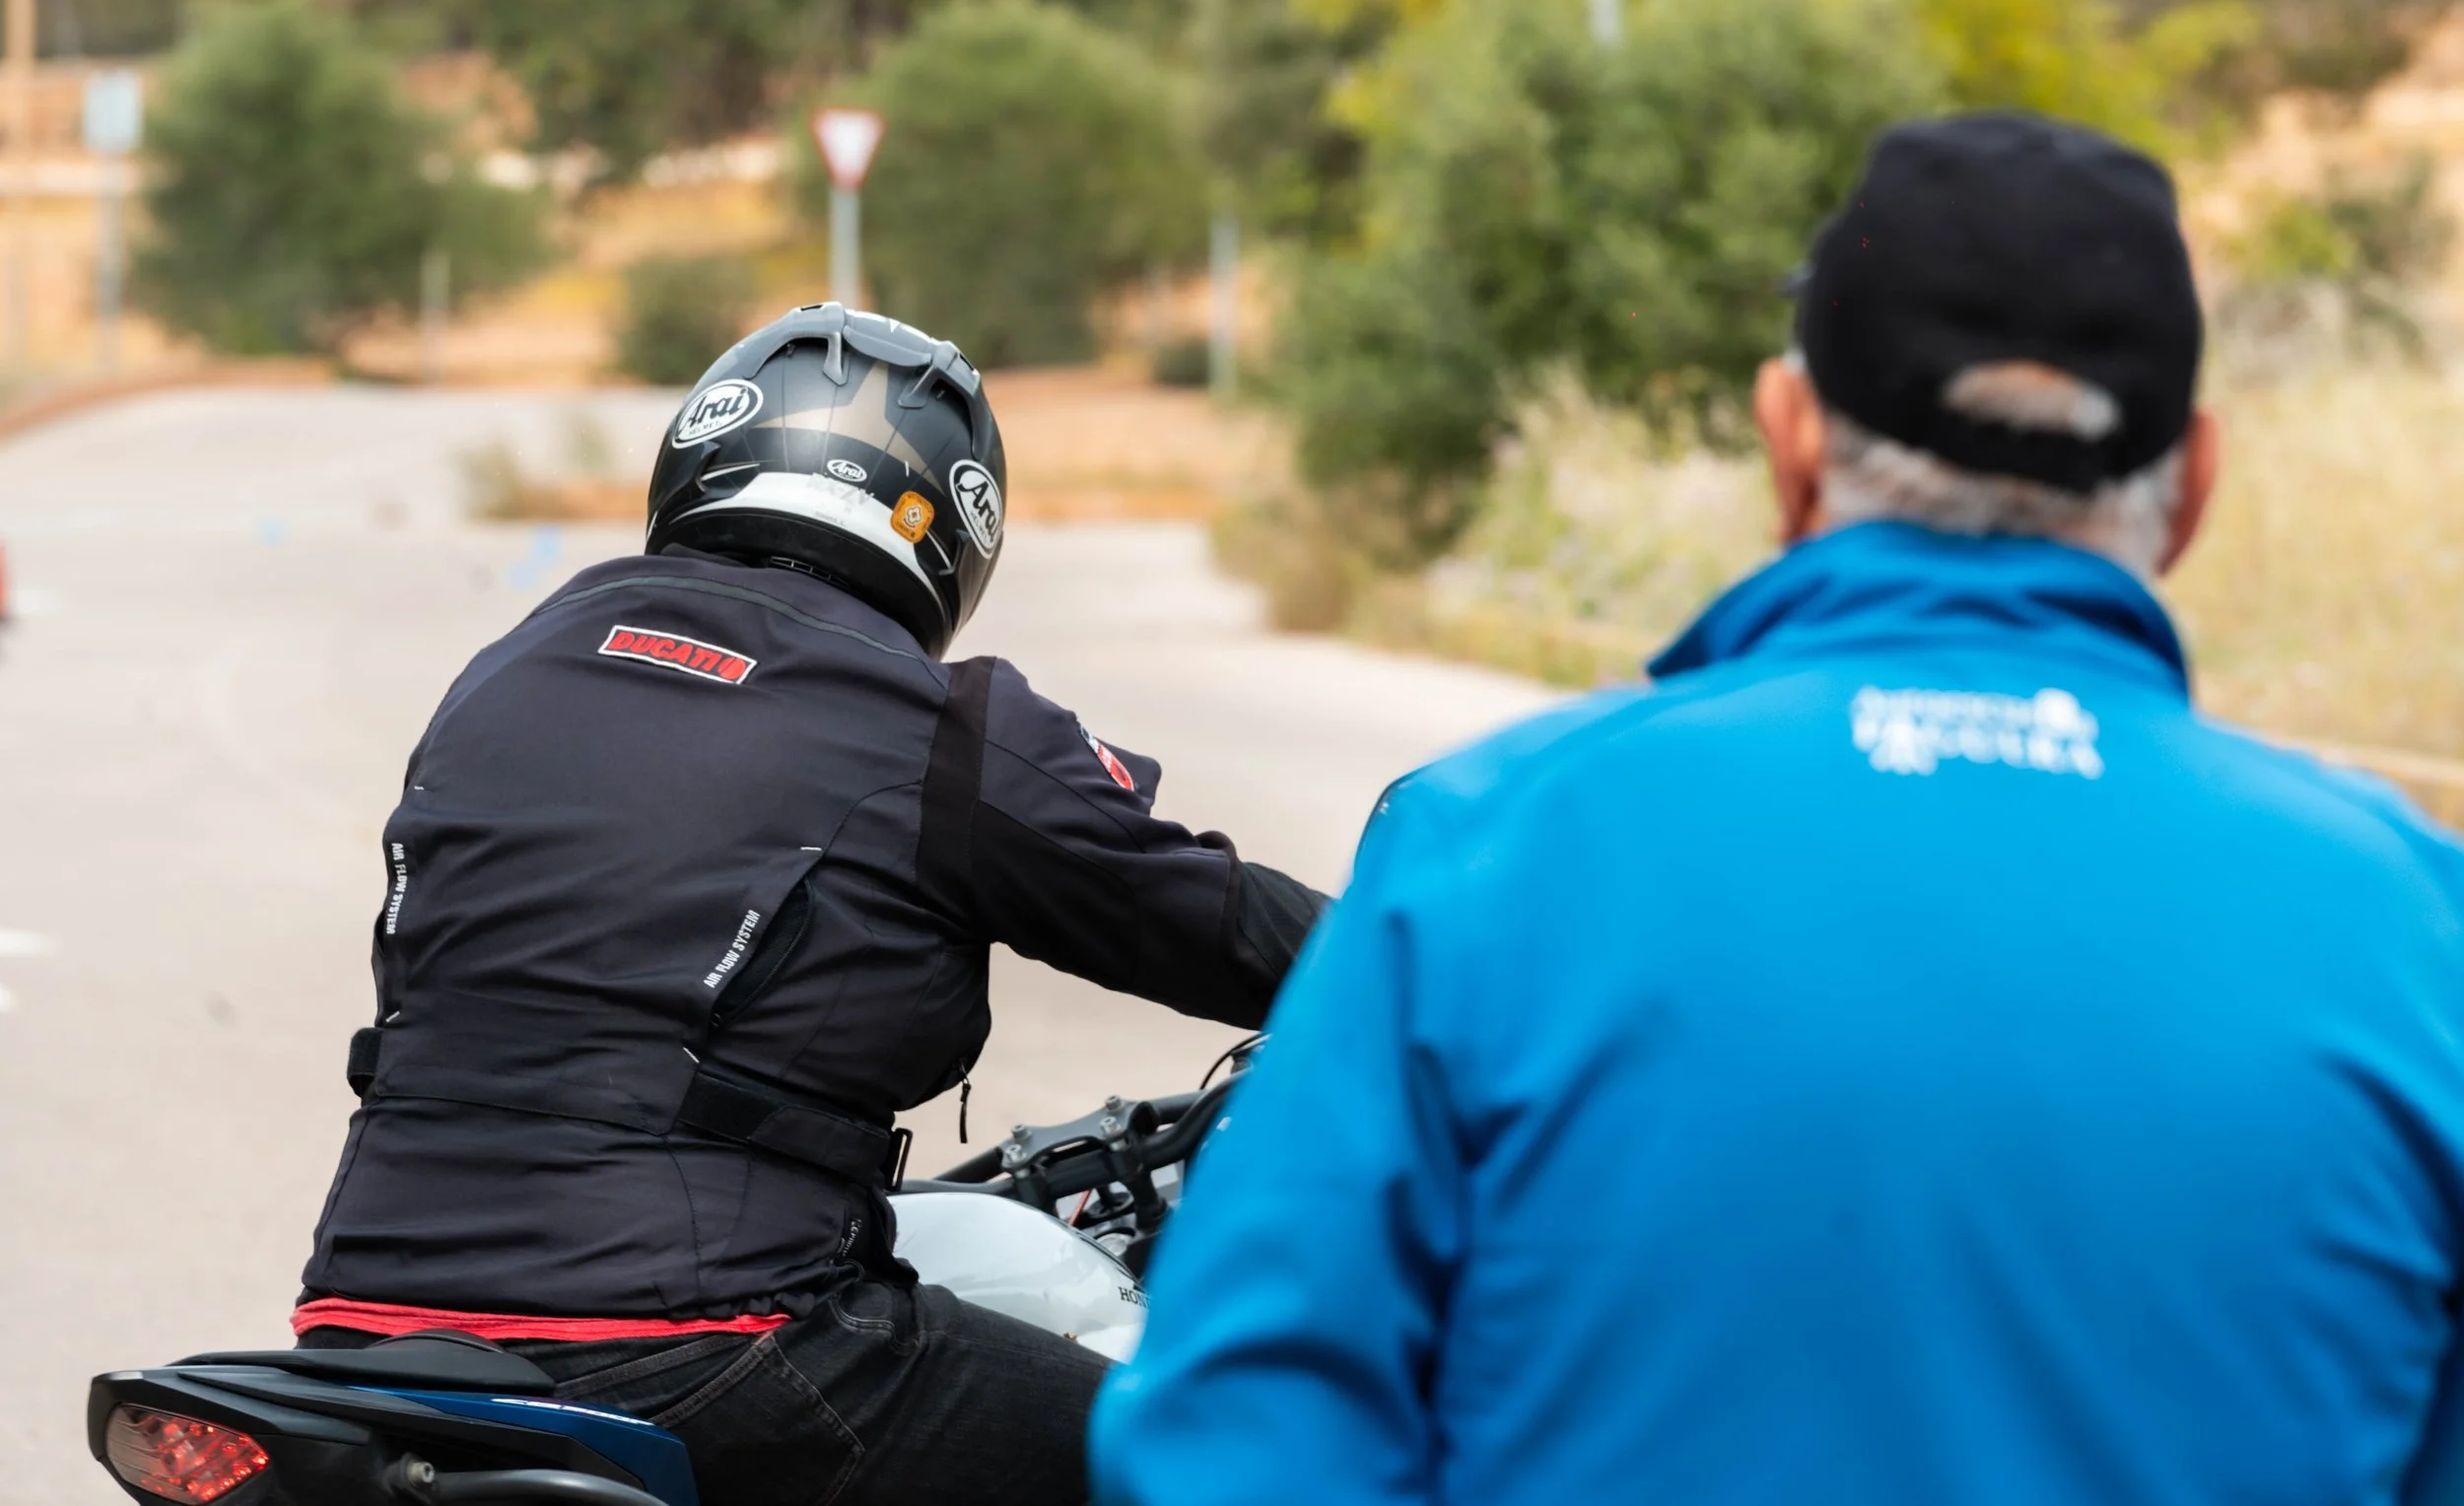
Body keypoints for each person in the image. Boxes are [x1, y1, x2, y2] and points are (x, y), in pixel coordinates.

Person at [1089, 113, 2464, 1506]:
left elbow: (1228, 1439)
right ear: (2195, 489)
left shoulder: (1488, 853)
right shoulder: (2421, 928)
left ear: (1790, 437)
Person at [293, 304, 1328, 1506]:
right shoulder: (944, 723)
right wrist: (1467, 971)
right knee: (1243, 1460)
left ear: (698, 459)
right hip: (695, 1343)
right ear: (953, 527)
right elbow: (1210, 916)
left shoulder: (513, 661)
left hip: (363, 1325)